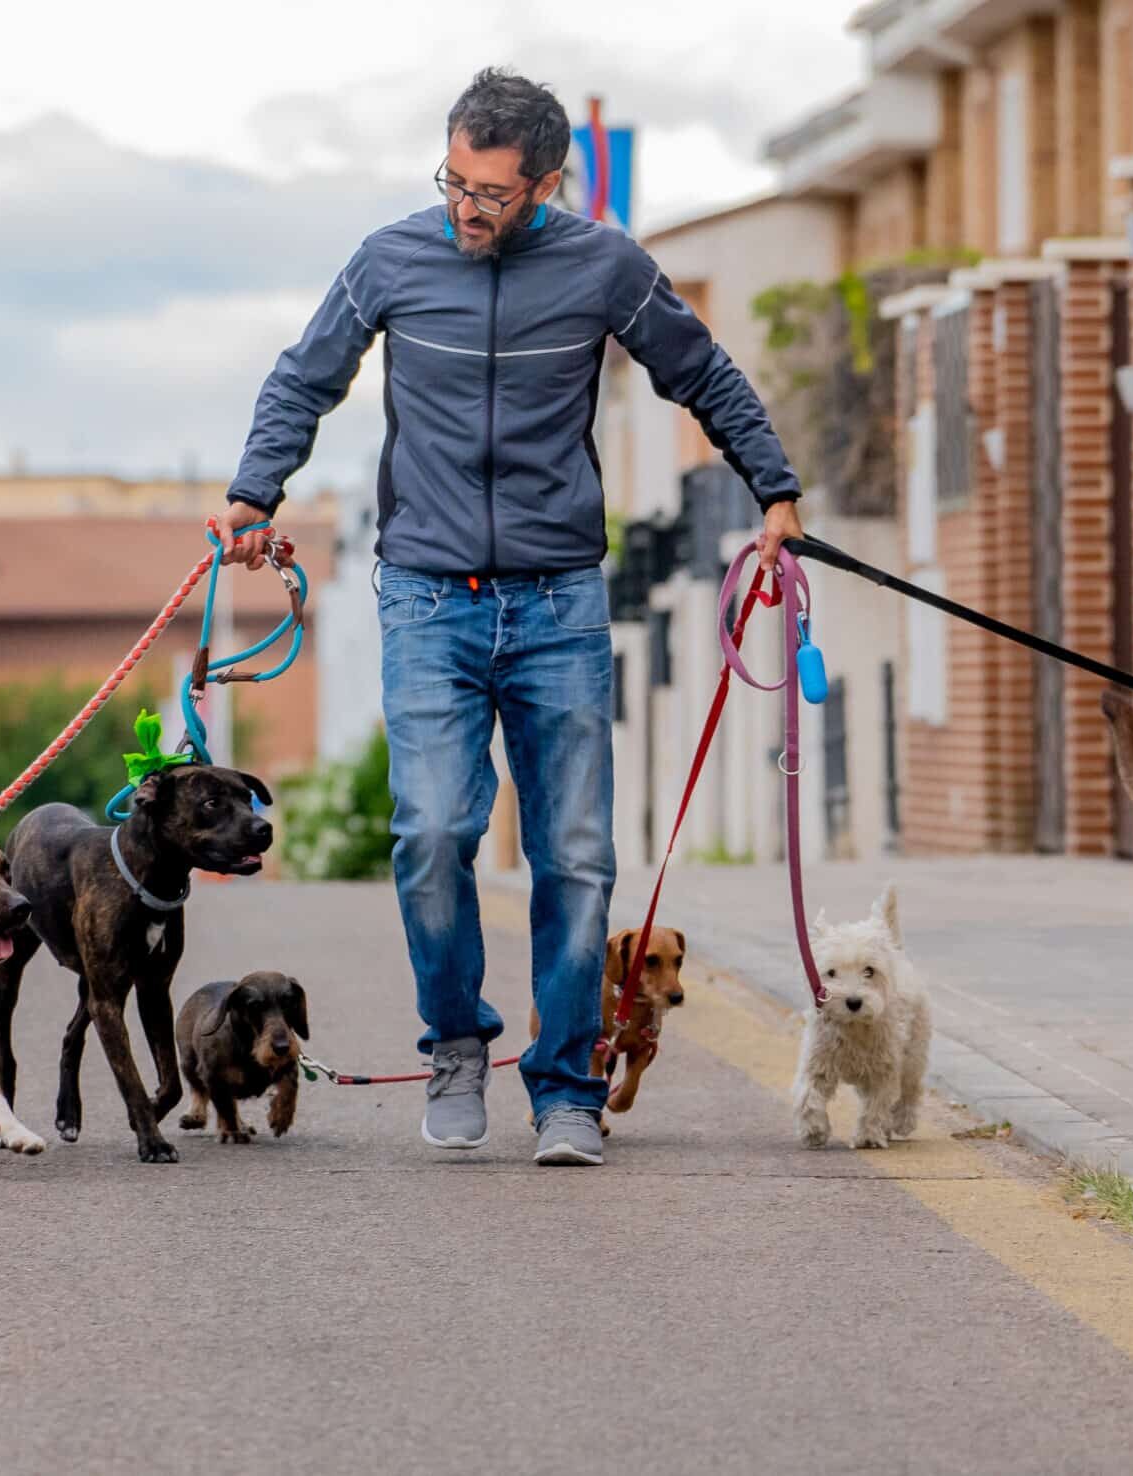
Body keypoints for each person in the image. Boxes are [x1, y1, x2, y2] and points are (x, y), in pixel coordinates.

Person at [218, 67, 805, 1166]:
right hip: (427, 596)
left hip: (559, 603)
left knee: (574, 855)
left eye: (490, 190)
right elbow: (304, 379)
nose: (465, 206)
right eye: (454, 179)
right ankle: (453, 1045)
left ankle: (567, 1087)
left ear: (543, 183)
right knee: (432, 832)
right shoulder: (390, 258)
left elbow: (704, 376)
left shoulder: (603, 268)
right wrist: (257, 491)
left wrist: (773, 489)